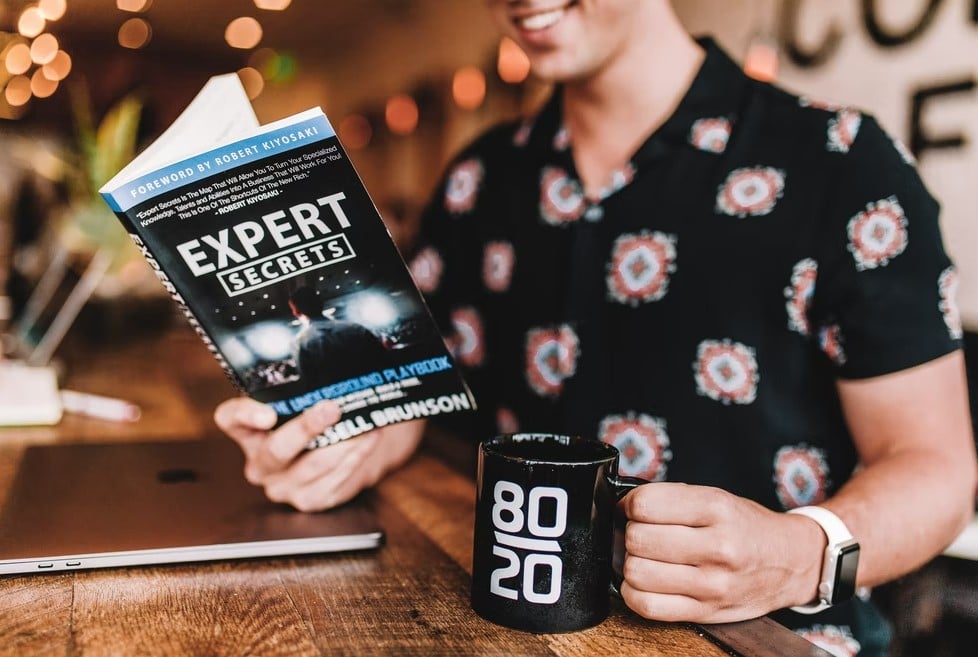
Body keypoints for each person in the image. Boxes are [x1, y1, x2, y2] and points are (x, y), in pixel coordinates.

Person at [215, 1, 977, 654]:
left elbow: (937, 467)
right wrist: (352, 439)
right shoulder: (478, 179)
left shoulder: (841, 164)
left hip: (768, 637)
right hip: (513, 631)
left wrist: (799, 551)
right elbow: (433, 391)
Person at [287, 285, 392, 387]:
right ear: (321, 302)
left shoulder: (300, 343)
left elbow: (309, 382)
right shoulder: (356, 328)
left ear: (296, 312)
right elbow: (383, 360)